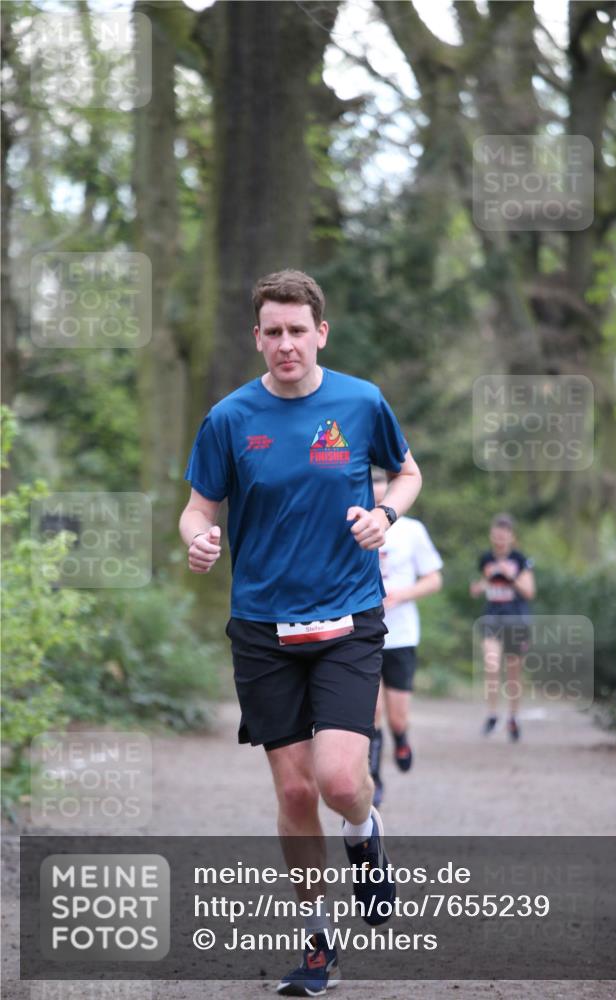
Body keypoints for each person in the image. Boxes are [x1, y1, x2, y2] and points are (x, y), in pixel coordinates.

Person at [179, 270, 422, 996]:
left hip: (348, 619)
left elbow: (405, 475)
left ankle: (363, 831)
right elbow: (197, 509)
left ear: (321, 332)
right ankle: (318, 945)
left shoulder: (360, 401)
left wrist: (387, 515)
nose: (285, 343)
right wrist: (198, 540)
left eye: (297, 330)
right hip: (261, 626)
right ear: (256, 338)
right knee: (292, 796)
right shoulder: (229, 418)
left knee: (340, 780)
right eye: (272, 332)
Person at [368, 469, 442, 807]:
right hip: (363, 635)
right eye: (369, 482)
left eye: (381, 481)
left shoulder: (412, 531)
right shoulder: (351, 525)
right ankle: (374, 779)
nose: (376, 488)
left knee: (397, 716)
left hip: (401, 635)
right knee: (371, 713)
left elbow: (434, 579)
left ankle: (401, 738)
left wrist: (401, 594)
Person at [469, 513, 536, 742]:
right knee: (491, 663)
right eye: (496, 536)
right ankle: (492, 714)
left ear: (511, 537)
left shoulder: (520, 560)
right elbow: (480, 586)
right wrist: (481, 585)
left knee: (513, 672)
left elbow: (529, 592)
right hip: (492, 618)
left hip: (516, 620)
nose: (499, 540)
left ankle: (513, 717)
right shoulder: (485, 559)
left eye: (504, 536)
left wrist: (511, 575)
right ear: (491, 536)